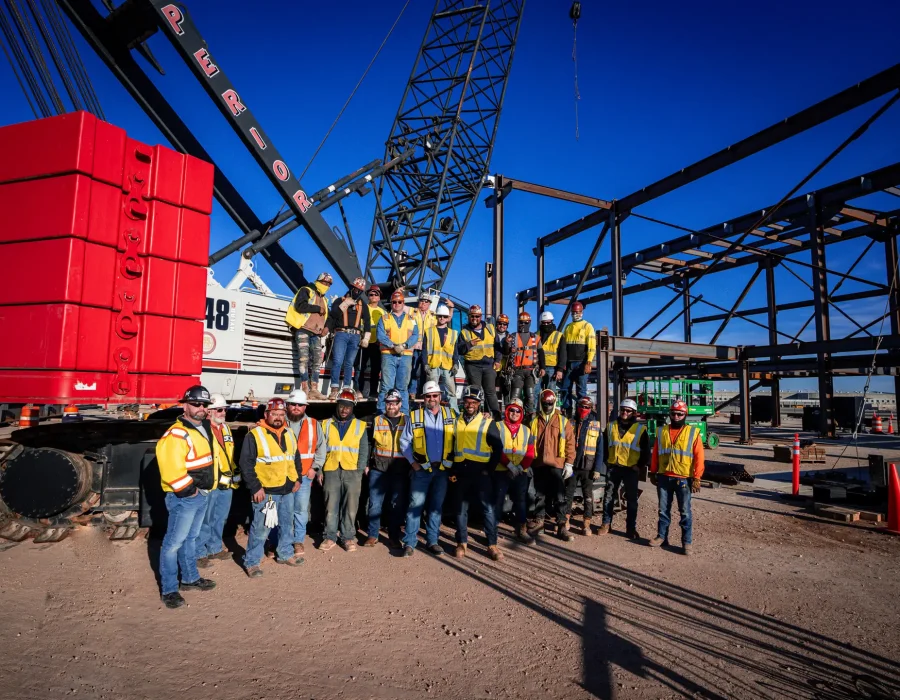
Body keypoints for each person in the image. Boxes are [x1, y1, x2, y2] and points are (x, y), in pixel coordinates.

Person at [155, 385, 218, 609]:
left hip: (199, 494)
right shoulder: (177, 433)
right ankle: (170, 589)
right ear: (185, 405)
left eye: (204, 405)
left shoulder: (201, 428)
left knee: (190, 539)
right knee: (173, 544)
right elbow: (171, 470)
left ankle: (190, 578)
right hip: (185, 496)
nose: (201, 408)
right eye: (196, 404)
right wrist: (190, 492)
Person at [240, 398, 304, 577]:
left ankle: (285, 554)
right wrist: (255, 488)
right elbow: (246, 464)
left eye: (281, 414)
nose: (278, 417)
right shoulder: (254, 435)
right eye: (274, 414)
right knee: (260, 529)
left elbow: (295, 458)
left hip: (287, 489)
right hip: (266, 491)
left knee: (286, 525)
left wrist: (297, 479)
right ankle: (252, 562)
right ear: (266, 414)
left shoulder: (289, 433)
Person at [400, 380, 457, 557]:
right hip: (422, 470)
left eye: (434, 395)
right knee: (415, 506)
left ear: (440, 396)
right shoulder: (415, 416)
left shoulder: (451, 414)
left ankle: (432, 541)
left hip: (442, 470)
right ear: (423, 398)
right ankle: (409, 543)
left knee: (435, 507)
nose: (431, 399)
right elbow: (404, 442)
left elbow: (460, 437)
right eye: (428, 396)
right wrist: (413, 463)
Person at [452, 385, 503, 560]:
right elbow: (451, 447)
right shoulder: (456, 421)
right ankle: (462, 542)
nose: (470, 405)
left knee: (488, 509)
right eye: (467, 401)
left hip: (481, 472)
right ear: (463, 402)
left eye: (474, 402)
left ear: (479, 403)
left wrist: (488, 470)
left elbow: (498, 448)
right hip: (461, 472)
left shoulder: (488, 423)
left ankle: (492, 544)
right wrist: (452, 469)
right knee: (460, 509)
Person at [649, 400, 704, 555]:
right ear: (669, 414)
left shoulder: (692, 433)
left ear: (685, 415)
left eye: (679, 414)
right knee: (663, 510)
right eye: (673, 413)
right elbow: (655, 454)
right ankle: (661, 537)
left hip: (683, 478)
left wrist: (697, 477)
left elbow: (699, 457)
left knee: (685, 511)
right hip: (664, 477)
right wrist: (653, 472)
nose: (676, 416)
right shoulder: (662, 431)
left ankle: (687, 543)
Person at [319, 390, 370, 552]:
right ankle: (329, 536)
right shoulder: (325, 424)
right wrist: (319, 470)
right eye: (342, 406)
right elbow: (319, 450)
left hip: (352, 471)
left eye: (348, 407)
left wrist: (359, 470)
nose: (344, 410)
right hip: (331, 470)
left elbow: (364, 451)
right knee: (330, 506)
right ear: (337, 406)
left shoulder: (360, 426)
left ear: (352, 408)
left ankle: (347, 537)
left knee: (351, 507)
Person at [196, 393, 239, 568]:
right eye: (220, 409)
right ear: (209, 412)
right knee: (204, 520)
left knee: (220, 518)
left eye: (225, 410)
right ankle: (199, 552)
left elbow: (228, 455)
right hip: (209, 482)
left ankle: (214, 548)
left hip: (225, 483)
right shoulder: (202, 430)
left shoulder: (226, 429)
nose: (223, 413)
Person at [528, 389, 576, 541]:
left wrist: (569, 463)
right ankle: (539, 523)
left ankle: (562, 525)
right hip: (539, 463)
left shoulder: (563, 421)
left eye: (550, 403)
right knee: (539, 495)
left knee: (560, 496)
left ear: (554, 402)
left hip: (557, 464)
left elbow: (570, 443)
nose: (547, 406)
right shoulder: (534, 420)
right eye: (545, 403)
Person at [598, 398, 649, 539]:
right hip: (614, 468)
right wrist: (607, 462)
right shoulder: (611, 426)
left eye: (628, 411)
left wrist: (639, 466)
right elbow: (604, 447)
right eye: (622, 410)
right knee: (608, 496)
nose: (624, 413)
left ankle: (630, 529)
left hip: (630, 470)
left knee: (632, 499)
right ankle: (606, 524)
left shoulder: (640, 430)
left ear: (634, 413)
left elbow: (645, 452)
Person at [365, 389, 410, 549]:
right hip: (379, 468)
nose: (391, 406)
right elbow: (369, 444)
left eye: (394, 403)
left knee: (396, 504)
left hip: (399, 469)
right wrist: (366, 464)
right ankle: (372, 535)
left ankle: (394, 536)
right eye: (388, 403)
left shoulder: (408, 421)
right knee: (375, 504)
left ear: (400, 404)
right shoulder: (377, 420)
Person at [284, 388, 325, 556]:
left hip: (305, 475)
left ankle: (298, 541)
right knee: (283, 510)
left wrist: (315, 468)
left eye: (299, 405)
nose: (296, 407)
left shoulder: (314, 424)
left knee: (300, 510)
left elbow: (321, 448)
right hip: (284, 476)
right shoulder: (279, 422)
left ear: (305, 407)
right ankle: (282, 540)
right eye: (293, 404)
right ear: (287, 405)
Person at [494, 398, 536, 546]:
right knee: (497, 500)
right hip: (501, 471)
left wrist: (520, 467)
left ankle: (522, 530)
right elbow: (496, 449)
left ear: (522, 413)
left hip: (520, 472)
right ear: (507, 410)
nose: (514, 413)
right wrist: (509, 465)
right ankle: (492, 532)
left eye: (518, 410)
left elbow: (530, 452)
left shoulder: (527, 430)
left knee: (520, 501)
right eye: (512, 409)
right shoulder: (497, 427)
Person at [285, 271, 332, 400]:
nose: (326, 285)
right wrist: (317, 308)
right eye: (324, 282)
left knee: (317, 360)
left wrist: (325, 328)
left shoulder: (325, 299)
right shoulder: (306, 290)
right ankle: (305, 388)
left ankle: (314, 389)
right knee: (303, 359)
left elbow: (327, 316)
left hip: (316, 333)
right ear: (318, 281)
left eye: (329, 284)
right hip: (303, 329)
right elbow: (300, 306)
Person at [565, 396, 605, 536]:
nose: (584, 409)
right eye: (582, 406)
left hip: (588, 467)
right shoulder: (570, 423)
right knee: (568, 495)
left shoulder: (595, 425)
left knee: (588, 496)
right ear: (577, 407)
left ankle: (586, 524)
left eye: (587, 407)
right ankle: (566, 521)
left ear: (591, 408)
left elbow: (600, 450)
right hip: (572, 466)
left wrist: (597, 469)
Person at [326, 277, 371, 400]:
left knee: (349, 363)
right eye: (355, 289)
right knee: (337, 361)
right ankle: (334, 389)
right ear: (351, 287)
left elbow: (367, 321)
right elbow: (333, 315)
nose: (356, 292)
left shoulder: (363, 305)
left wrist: (366, 338)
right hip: (341, 333)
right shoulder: (340, 300)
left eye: (359, 290)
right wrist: (344, 304)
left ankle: (346, 388)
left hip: (356, 336)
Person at [377, 290, 419, 415]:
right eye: (394, 302)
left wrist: (405, 345)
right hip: (388, 354)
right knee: (386, 386)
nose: (396, 304)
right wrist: (393, 345)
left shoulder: (412, 319)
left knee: (403, 388)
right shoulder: (384, 318)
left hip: (406, 356)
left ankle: (404, 415)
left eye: (399, 302)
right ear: (391, 303)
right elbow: (380, 335)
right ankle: (381, 413)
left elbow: (415, 335)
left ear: (403, 303)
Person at [458, 304, 502, 419]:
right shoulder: (464, 331)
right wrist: (469, 344)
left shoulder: (490, 328)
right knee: (474, 392)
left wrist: (497, 360)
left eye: (477, 316)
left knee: (490, 392)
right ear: (469, 317)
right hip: (473, 366)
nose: (474, 319)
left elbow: (497, 347)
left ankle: (496, 418)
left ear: (480, 316)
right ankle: (475, 418)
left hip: (489, 364)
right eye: (472, 316)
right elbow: (459, 350)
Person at [503, 311, 543, 418]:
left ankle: (529, 418)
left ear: (529, 323)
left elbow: (541, 353)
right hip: (517, 371)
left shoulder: (535, 337)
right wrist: (507, 345)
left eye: (525, 322)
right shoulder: (512, 336)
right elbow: (506, 353)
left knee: (530, 395)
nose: (523, 325)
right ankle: (513, 417)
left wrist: (542, 367)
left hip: (531, 371)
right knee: (515, 395)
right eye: (521, 322)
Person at [559, 301, 595, 413]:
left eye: (577, 312)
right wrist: (562, 364)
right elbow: (563, 347)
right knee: (565, 388)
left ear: (582, 312)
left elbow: (592, 346)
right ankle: (566, 411)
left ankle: (581, 414)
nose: (575, 314)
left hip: (581, 363)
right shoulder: (568, 327)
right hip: (569, 363)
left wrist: (588, 362)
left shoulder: (587, 326)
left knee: (581, 390)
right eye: (574, 312)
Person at [423, 303, 459, 412]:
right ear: (437, 317)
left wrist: (456, 363)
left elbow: (455, 350)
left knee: (451, 392)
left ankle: (454, 414)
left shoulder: (453, 333)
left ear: (448, 318)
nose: (442, 318)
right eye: (440, 316)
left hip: (447, 366)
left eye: (444, 316)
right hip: (433, 365)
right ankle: (429, 412)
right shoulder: (429, 331)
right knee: (431, 392)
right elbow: (424, 349)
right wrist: (425, 363)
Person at [356, 285, 384, 398]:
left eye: (375, 294)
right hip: (363, 341)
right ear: (368, 296)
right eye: (371, 294)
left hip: (376, 343)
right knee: (360, 367)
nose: (373, 296)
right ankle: (359, 390)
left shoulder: (382, 312)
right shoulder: (363, 308)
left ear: (379, 297)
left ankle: (373, 391)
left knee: (375, 369)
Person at [535, 311, 566, 408]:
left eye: (548, 322)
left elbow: (562, 354)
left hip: (552, 368)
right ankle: (535, 415)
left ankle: (550, 414)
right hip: (538, 368)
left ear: (552, 322)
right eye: (544, 323)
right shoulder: (536, 335)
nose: (546, 325)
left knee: (550, 394)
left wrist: (560, 369)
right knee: (535, 392)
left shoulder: (558, 335)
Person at [409, 294, 435, 397]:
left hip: (427, 348)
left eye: (426, 301)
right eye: (422, 301)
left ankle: (422, 392)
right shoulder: (412, 312)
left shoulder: (433, 315)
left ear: (429, 304)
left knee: (425, 371)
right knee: (414, 371)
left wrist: (450, 308)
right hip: (414, 347)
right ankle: (412, 392)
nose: (423, 303)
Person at [494, 313, 510, 403]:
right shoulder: (491, 335)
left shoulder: (510, 337)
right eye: (500, 323)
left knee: (507, 392)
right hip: (493, 367)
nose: (502, 326)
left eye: (504, 324)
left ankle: (508, 412)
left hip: (505, 369)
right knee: (494, 392)